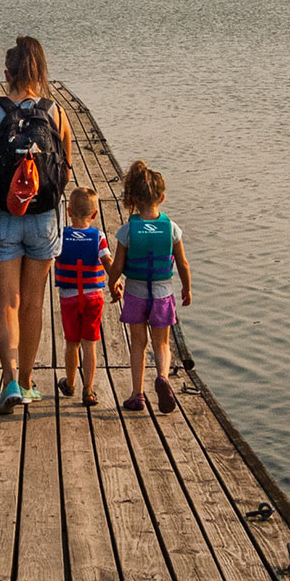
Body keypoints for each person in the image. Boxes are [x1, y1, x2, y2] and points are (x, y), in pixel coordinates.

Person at [0, 37, 73, 413]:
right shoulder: (56, 113)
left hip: (2, 220)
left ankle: (8, 380)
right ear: (39, 73)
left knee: (6, 302)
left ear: (6, 74)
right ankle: (27, 382)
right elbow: (63, 172)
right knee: (33, 304)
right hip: (42, 221)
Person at [104, 160, 193, 413]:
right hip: (163, 293)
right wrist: (187, 288)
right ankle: (163, 377)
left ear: (133, 197)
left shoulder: (127, 231)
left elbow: (118, 267)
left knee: (138, 344)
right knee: (162, 344)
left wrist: (113, 285)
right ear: (162, 197)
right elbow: (183, 264)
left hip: (136, 292)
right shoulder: (172, 229)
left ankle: (137, 395)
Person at [53, 187, 111, 407]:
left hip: (69, 297)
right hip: (93, 297)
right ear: (94, 215)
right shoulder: (99, 238)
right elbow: (108, 263)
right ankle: (89, 390)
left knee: (72, 343)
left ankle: (70, 383)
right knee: (90, 344)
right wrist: (115, 282)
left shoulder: (61, 236)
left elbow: (52, 256)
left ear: (68, 211)